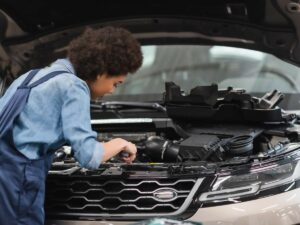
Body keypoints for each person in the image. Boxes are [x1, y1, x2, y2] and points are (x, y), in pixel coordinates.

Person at [0, 26, 143, 225]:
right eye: (116, 83)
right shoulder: (74, 87)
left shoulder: (31, 77)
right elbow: (88, 156)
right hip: (20, 179)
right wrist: (119, 143)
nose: (112, 91)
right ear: (101, 71)